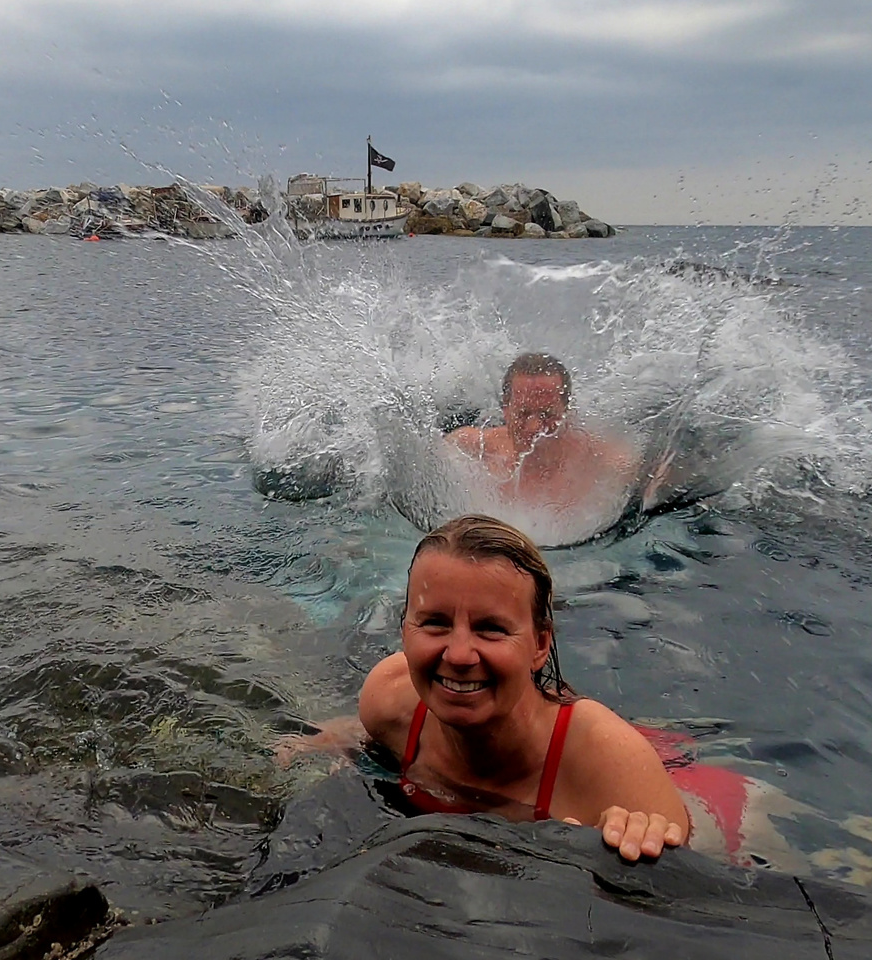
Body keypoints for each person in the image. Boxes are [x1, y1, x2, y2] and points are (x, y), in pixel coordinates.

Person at [274, 514, 690, 861]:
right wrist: (331, 742)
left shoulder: (607, 762)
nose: (458, 655)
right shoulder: (390, 702)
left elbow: (692, 877)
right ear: (404, 630)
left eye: (491, 629)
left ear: (540, 644)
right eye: (434, 623)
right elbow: (363, 739)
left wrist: (642, 831)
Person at [444, 353, 643, 511]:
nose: (535, 428)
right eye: (523, 414)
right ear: (505, 409)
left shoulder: (605, 464)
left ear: (566, 411)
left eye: (547, 414)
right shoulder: (474, 449)